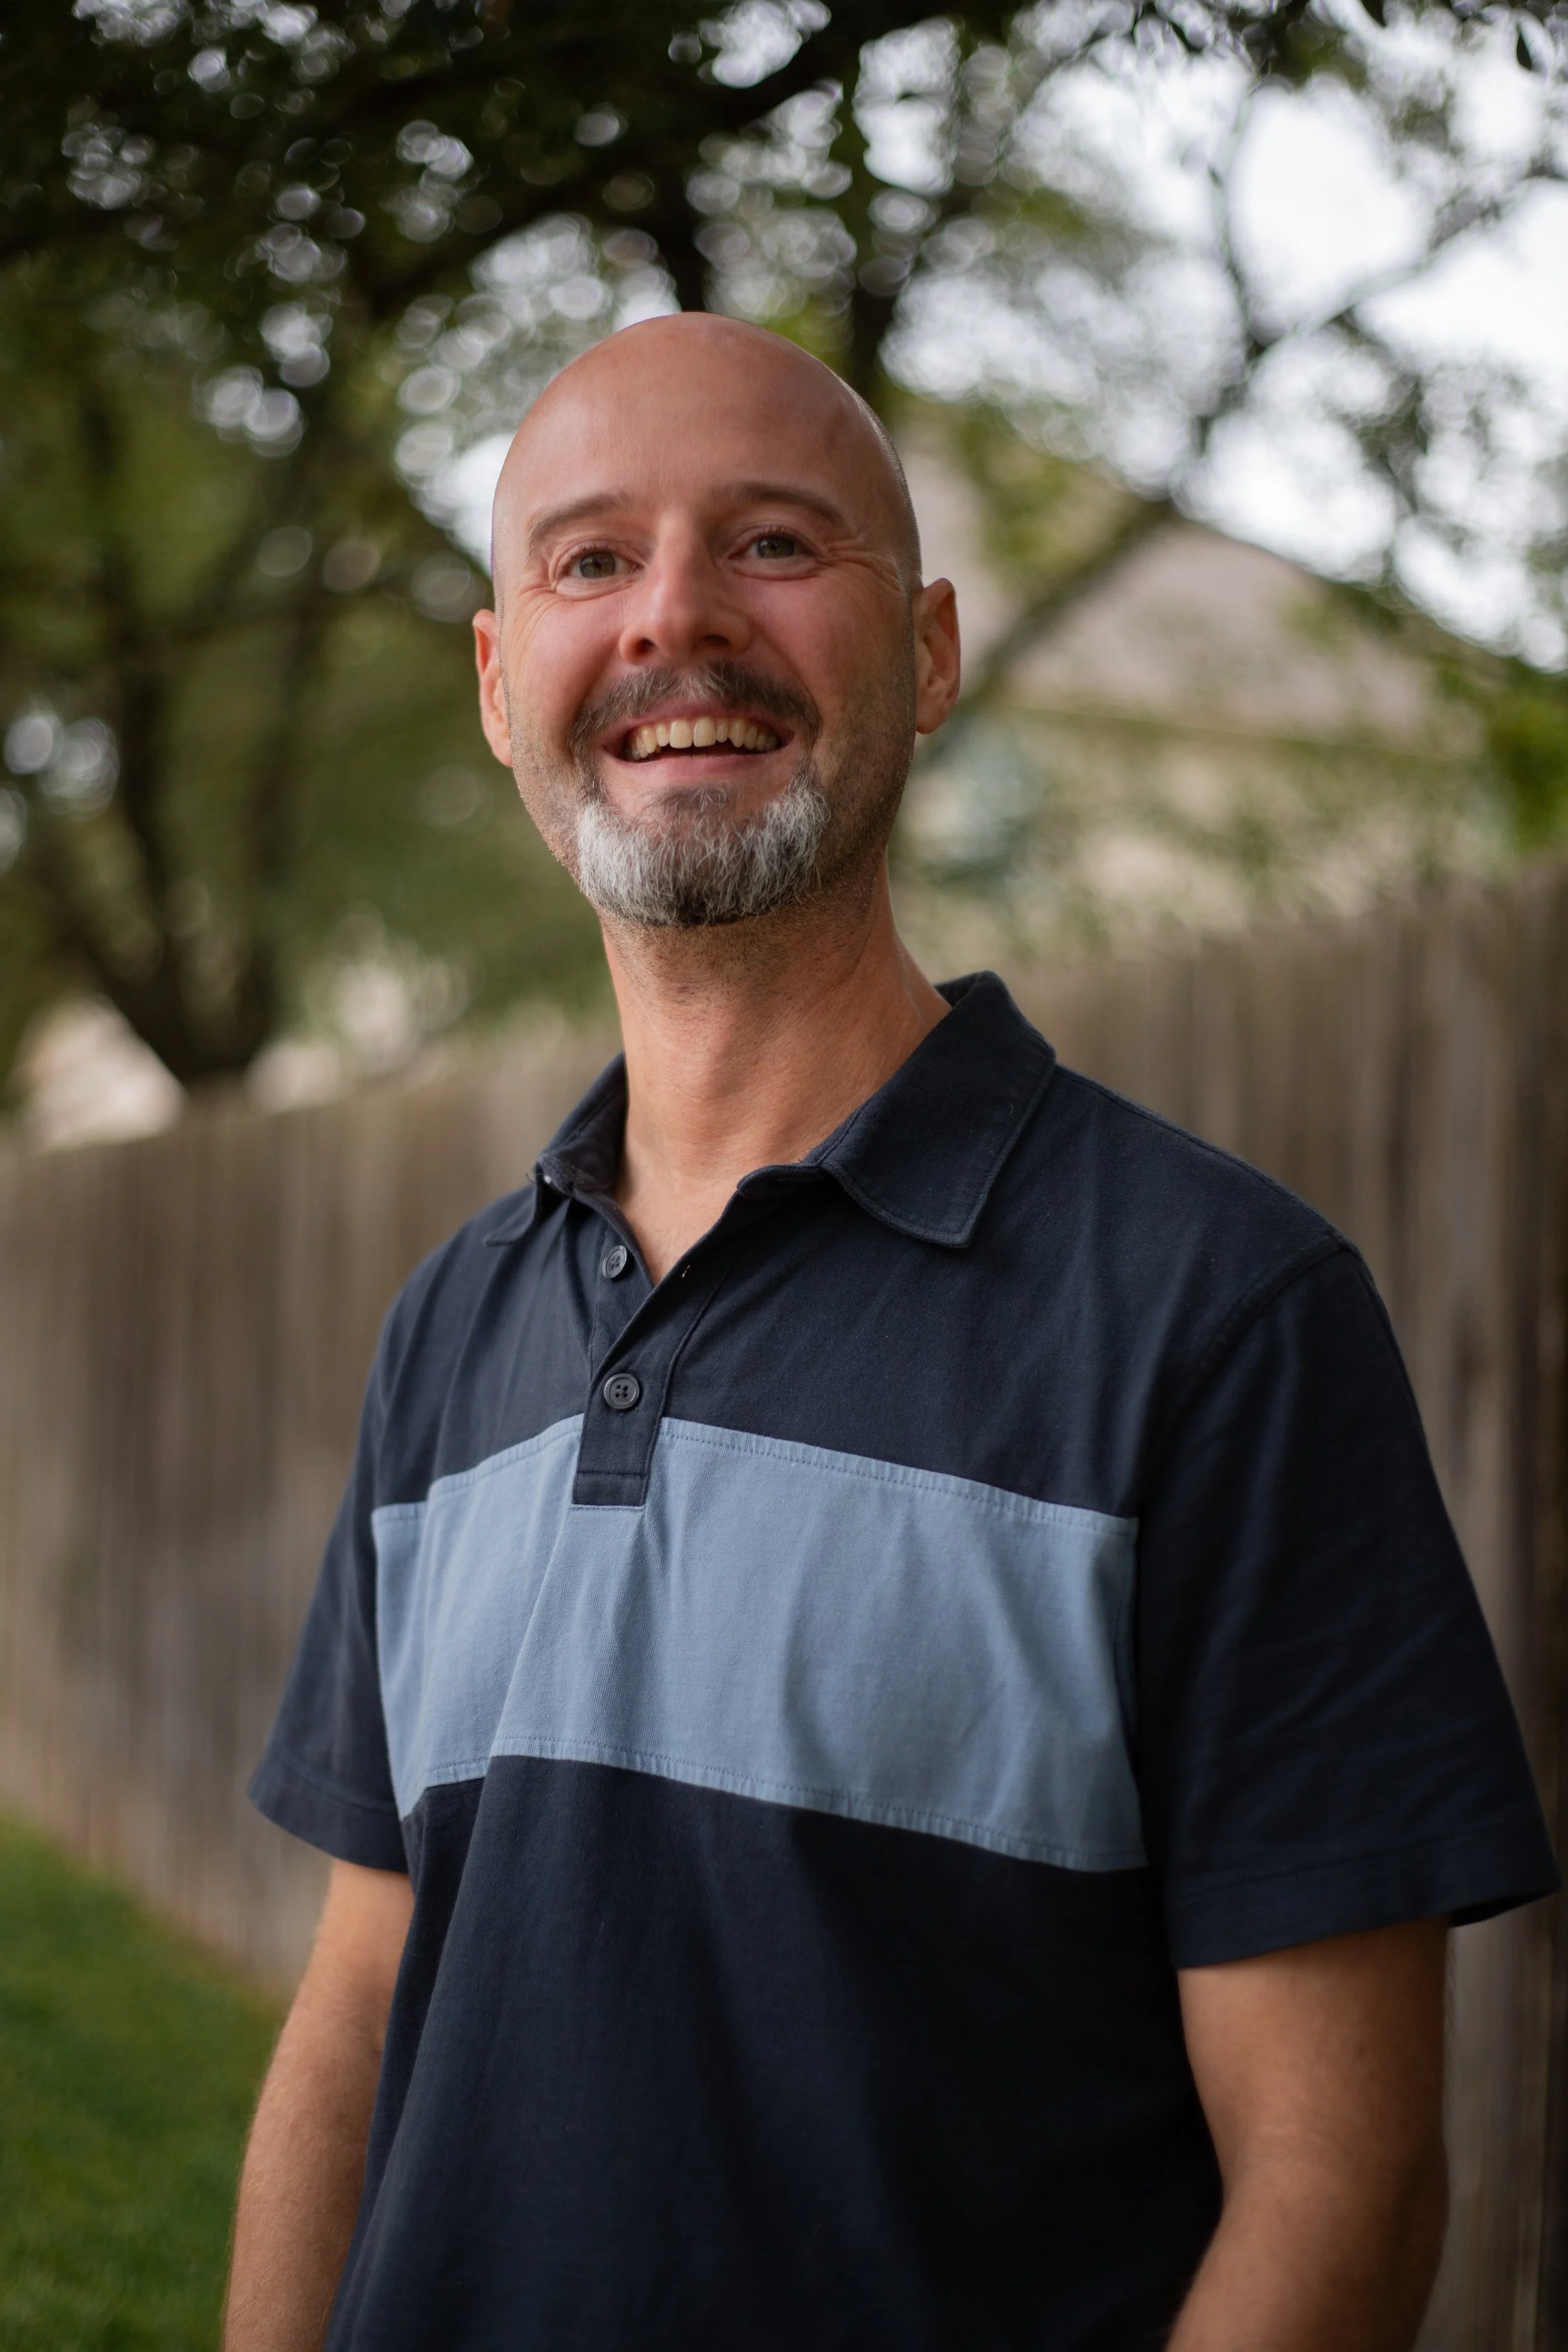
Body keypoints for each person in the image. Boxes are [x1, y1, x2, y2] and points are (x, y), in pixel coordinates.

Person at [227, 314, 1556, 2352]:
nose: (675, 616)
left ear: (924, 653)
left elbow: (1341, 2183)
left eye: (772, 543)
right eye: (588, 561)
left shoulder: (1217, 1316)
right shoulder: (456, 1322)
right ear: (505, 689)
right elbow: (352, 2012)